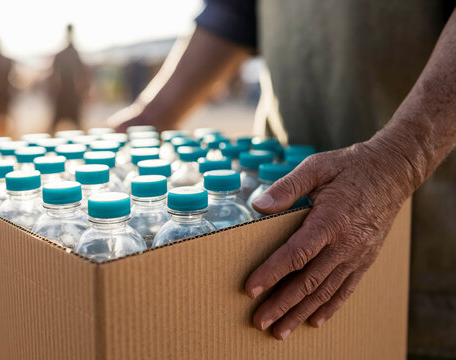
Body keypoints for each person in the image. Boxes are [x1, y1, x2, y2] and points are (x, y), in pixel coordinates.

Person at [109, 0, 456, 355]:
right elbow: (234, 12)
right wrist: (152, 114)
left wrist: (400, 157)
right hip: (282, 170)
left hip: (422, 207)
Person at [48, 24, 89, 133]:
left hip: (67, 94)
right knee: (66, 124)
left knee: (71, 124)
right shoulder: (73, 54)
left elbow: (52, 77)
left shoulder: (67, 54)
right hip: (68, 94)